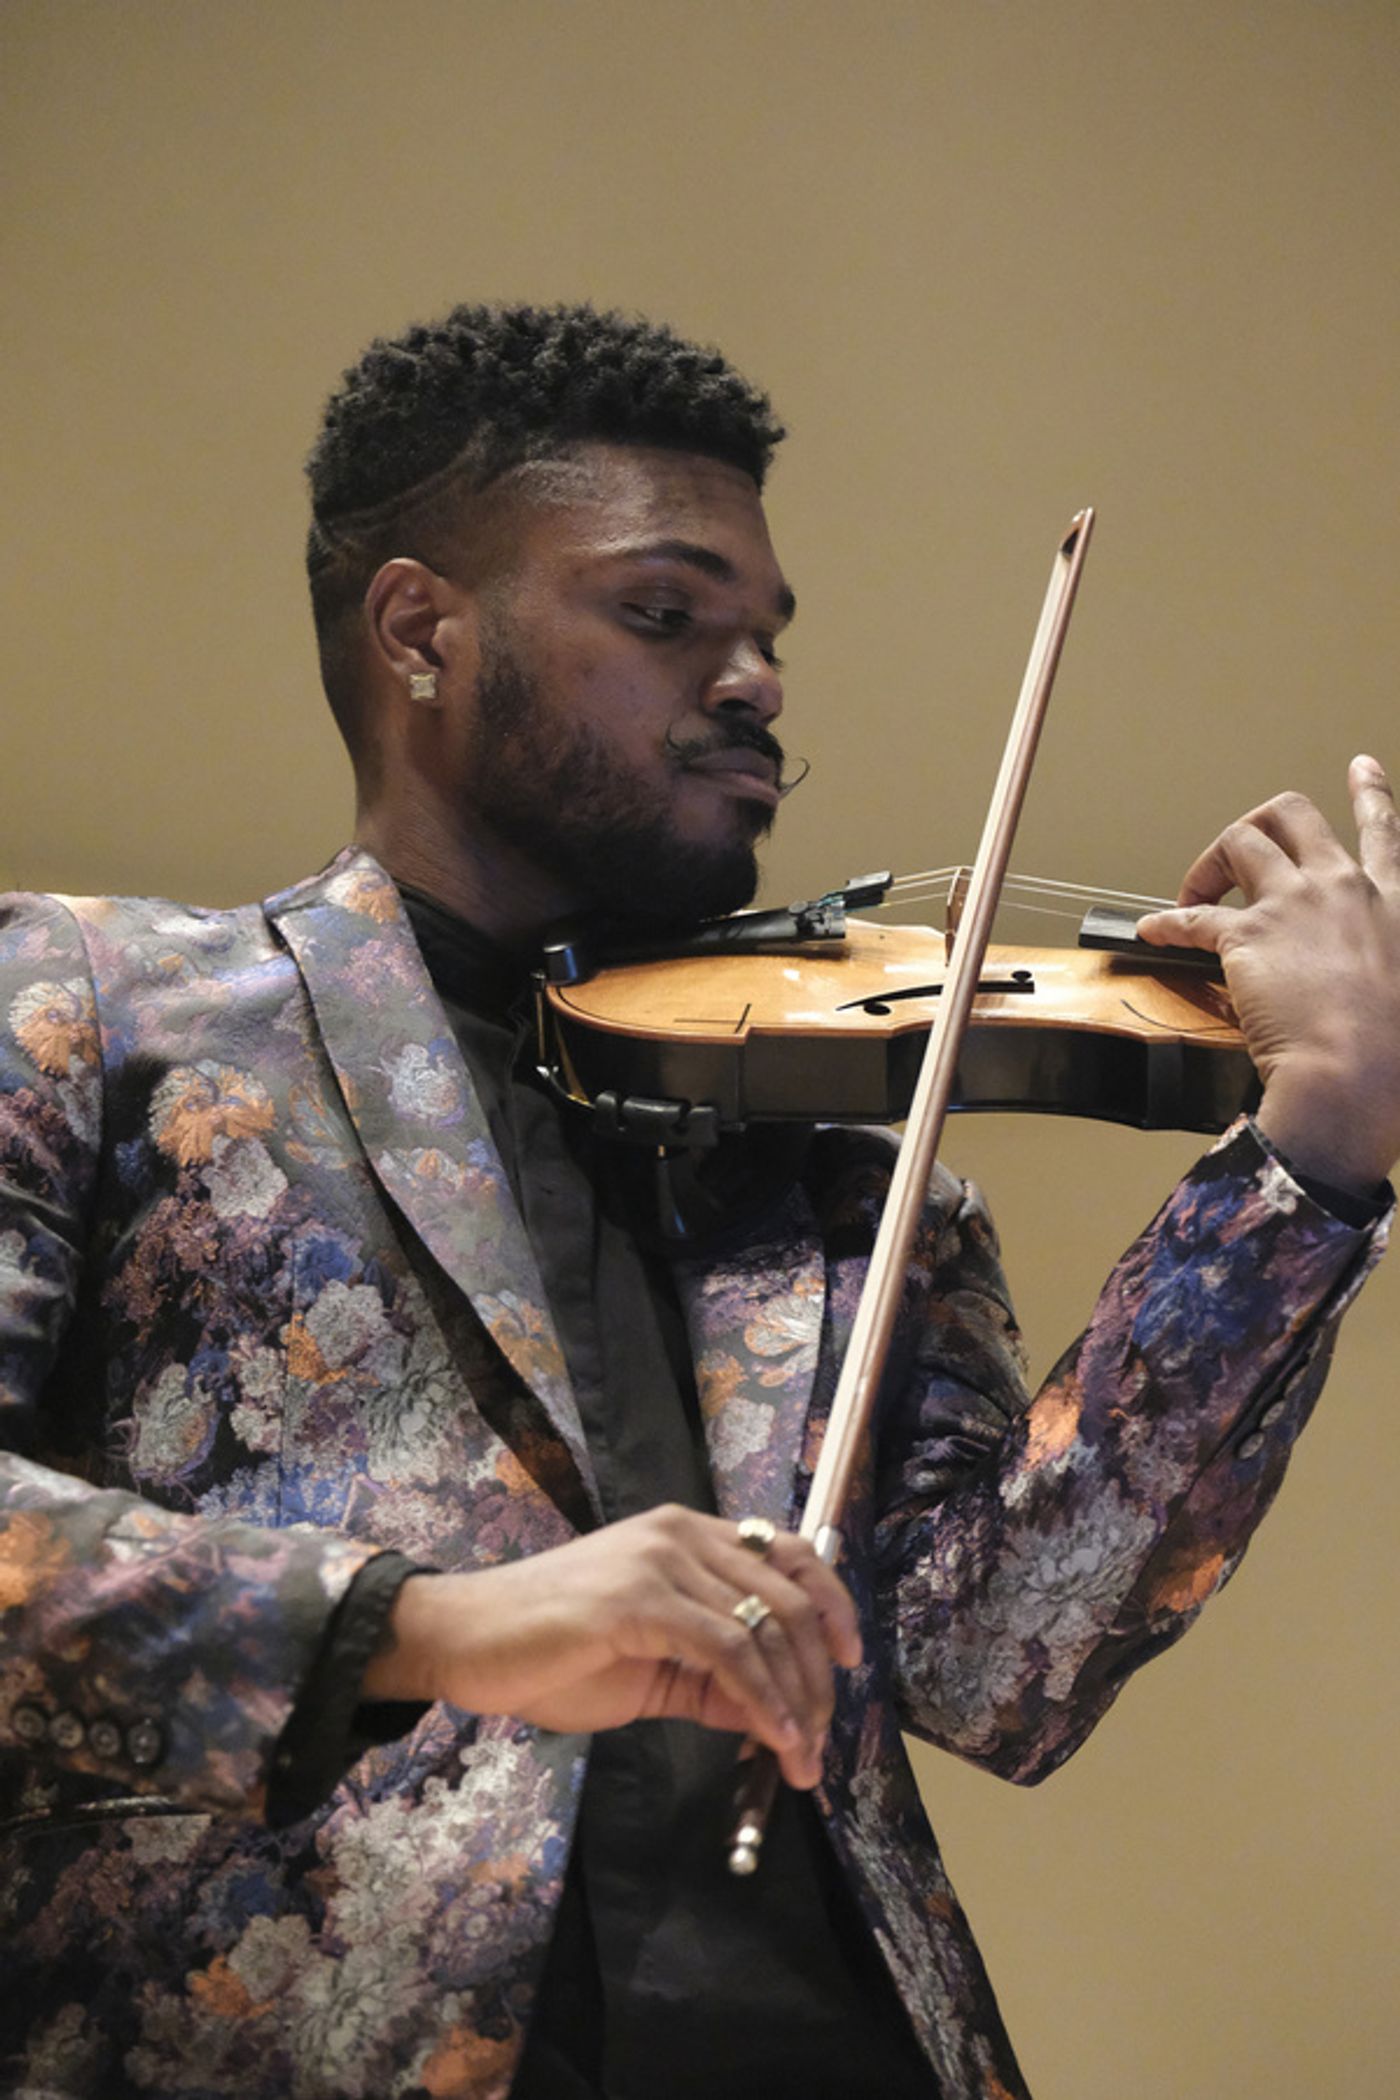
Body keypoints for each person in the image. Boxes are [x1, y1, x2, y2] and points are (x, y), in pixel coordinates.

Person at [1, 303, 1396, 2100]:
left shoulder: (835, 1173)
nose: (753, 681)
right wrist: (432, 1623)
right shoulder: (89, 1006)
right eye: (666, 617)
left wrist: (1308, 1159)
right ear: (422, 630)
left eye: (762, 637)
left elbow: (1004, 1660)